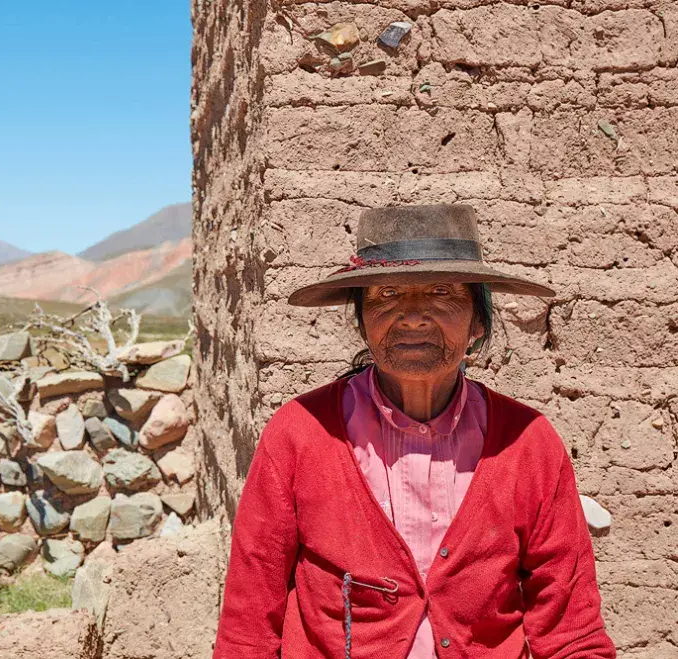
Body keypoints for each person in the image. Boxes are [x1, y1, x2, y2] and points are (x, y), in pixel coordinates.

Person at [212, 205, 615, 659]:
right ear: (362, 322)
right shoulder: (299, 435)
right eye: (387, 295)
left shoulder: (529, 444)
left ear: (478, 323)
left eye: (442, 293)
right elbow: (248, 623)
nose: (413, 316)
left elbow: (572, 634)